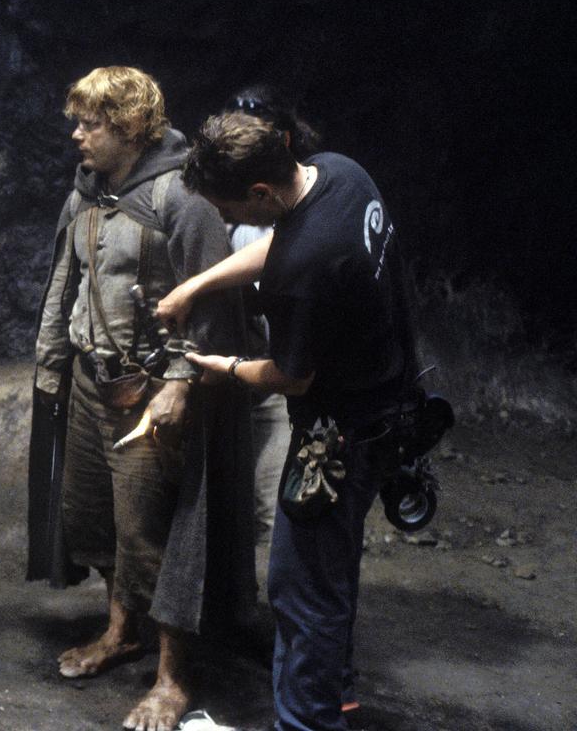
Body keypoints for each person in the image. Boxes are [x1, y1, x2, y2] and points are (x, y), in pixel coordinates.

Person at [157, 111, 418, 731]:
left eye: (230, 211)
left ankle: (306, 722)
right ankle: (338, 693)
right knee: (331, 573)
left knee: (300, 595)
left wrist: (225, 366)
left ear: (261, 193)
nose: (225, 223)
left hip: (341, 431)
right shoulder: (338, 173)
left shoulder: (305, 274)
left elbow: (290, 376)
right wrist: (198, 283)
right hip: (391, 391)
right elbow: (288, 240)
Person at [27, 66, 253, 731]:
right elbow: (64, 278)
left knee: (152, 533)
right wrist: (50, 364)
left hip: (151, 392)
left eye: (89, 122)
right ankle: (121, 629)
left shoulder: (183, 199)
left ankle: (173, 676)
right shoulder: (88, 193)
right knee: (93, 518)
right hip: (91, 382)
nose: (77, 135)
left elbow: (215, 301)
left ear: (126, 126)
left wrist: (181, 385)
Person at [222, 86, 321, 548]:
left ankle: (275, 608)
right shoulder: (227, 214)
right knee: (230, 501)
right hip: (233, 369)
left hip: (281, 373)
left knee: (273, 503)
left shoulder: (303, 212)